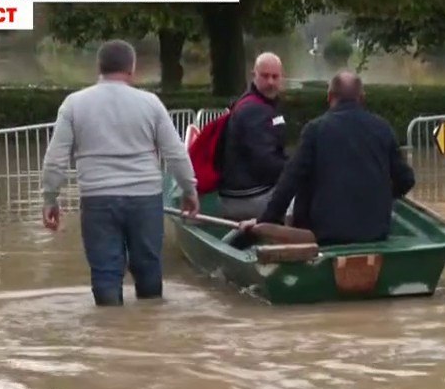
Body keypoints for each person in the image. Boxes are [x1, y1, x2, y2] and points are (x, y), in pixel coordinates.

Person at [40, 40, 200, 307]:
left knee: (105, 272)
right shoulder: (151, 103)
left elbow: (55, 159)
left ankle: (108, 335)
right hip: (145, 198)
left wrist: (50, 198)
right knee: (148, 267)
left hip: (97, 198)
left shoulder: (74, 104)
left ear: (98, 68)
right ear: (132, 68)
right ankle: (149, 333)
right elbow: (175, 153)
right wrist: (189, 189)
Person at [241, 71, 415, 246]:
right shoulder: (383, 129)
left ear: (330, 97)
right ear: (362, 98)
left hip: (326, 235)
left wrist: (264, 221)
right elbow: (406, 179)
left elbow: (290, 181)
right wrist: (383, 194)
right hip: (375, 233)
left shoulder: (315, 130)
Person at [215, 52, 289, 219]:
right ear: (254, 75)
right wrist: (298, 171)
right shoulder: (254, 111)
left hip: (241, 193)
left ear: (282, 77)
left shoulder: (259, 104)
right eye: (265, 76)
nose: (270, 82)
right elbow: (265, 161)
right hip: (247, 197)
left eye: (275, 77)